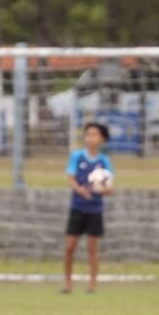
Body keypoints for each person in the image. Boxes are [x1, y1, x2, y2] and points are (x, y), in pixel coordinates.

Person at [62, 122, 113, 294]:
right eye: (88, 134)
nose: (90, 138)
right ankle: (68, 283)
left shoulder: (104, 161)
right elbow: (70, 178)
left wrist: (105, 189)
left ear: (102, 139)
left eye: (94, 135)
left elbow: (108, 187)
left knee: (92, 248)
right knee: (70, 246)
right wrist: (80, 190)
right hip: (77, 207)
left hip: (95, 209)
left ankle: (92, 284)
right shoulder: (77, 157)